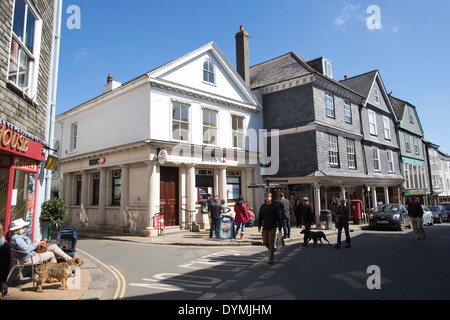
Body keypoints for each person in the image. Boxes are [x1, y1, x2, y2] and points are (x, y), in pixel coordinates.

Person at [7, 218, 72, 264]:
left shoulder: (20, 236)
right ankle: (52, 274)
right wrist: (36, 244)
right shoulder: (17, 238)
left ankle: (70, 260)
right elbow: (26, 249)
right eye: (24, 227)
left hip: (31, 254)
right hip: (28, 258)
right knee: (52, 254)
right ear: (19, 229)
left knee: (54, 247)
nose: (25, 229)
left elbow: (27, 246)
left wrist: (38, 242)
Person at [258, 192, 282, 265]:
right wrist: (259, 226)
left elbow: (278, 217)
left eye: (268, 197)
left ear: (271, 198)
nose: (267, 198)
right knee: (265, 242)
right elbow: (260, 217)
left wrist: (280, 227)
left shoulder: (274, 207)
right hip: (265, 227)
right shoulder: (263, 207)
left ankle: (270, 258)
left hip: (272, 227)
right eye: (266, 197)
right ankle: (272, 250)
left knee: (271, 242)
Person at [0, 223, 10, 297]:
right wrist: (3, 282)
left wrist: (3, 282)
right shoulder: (5, 246)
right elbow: (6, 266)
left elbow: (6, 266)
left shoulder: (5, 246)